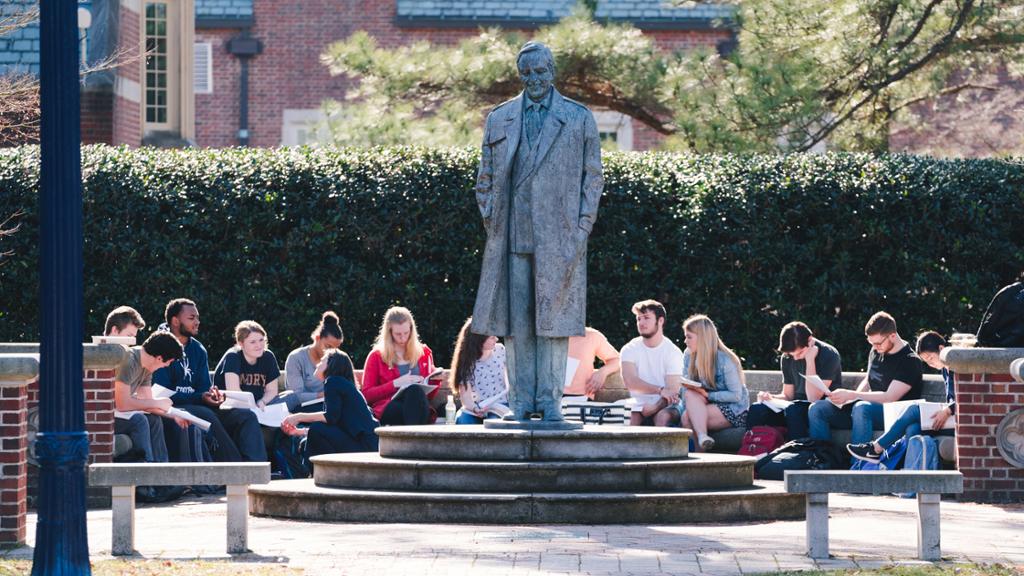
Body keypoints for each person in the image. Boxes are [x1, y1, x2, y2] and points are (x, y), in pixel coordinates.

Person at [470, 41, 603, 422]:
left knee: (554, 324)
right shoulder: (501, 118)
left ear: (552, 72)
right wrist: (494, 220)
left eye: (541, 72)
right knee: (516, 326)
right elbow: (485, 179)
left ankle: (549, 403)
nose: (534, 80)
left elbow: (592, 180)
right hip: (511, 236)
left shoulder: (578, 118)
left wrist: (581, 230)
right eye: (526, 73)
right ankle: (521, 402)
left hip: (560, 239)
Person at [153, 298, 267, 462]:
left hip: (199, 405)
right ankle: (236, 470)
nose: (197, 322)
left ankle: (257, 469)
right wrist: (200, 398)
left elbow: (203, 388)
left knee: (246, 416)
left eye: (197, 318)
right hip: (173, 409)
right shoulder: (159, 346)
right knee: (207, 414)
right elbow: (162, 393)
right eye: (191, 318)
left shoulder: (198, 349)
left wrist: (212, 397)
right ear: (175, 321)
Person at [808, 311, 923, 446]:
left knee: (862, 408)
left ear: (892, 335)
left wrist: (852, 394)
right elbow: (869, 380)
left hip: (894, 415)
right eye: (871, 343)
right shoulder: (876, 350)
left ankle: (858, 464)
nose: (874, 347)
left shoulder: (910, 361)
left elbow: (889, 397)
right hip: (863, 410)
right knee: (818, 408)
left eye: (878, 343)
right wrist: (849, 400)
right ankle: (822, 460)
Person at [847, 331, 956, 463]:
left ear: (941, 349)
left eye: (931, 358)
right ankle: (909, 473)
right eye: (926, 361)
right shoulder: (945, 369)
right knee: (912, 427)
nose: (930, 364)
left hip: (959, 420)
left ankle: (876, 448)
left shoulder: (958, 368)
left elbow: (967, 398)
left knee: (914, 409)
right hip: (950, 418)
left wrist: (948, 410)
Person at [112, 330, 186, 501]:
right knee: (139, 420)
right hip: (104, 416)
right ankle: (145, 486)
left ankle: (161, 479)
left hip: (120, 414)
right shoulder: (129, 360)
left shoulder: (146, 367)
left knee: (153, 420)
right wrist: (157, 403)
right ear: (160, 358)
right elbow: (122, 403)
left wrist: (173, 415)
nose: (167, 366)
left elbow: (147, 401)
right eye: (168, 362)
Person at [746, 322, 843, 440]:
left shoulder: (829, 354)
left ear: (810, 340)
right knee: (757, 408)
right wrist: (770, 398)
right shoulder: (788, 356)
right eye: (791, 355)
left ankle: (797, 454)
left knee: (794, 409)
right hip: (794, 408)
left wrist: (810, 359)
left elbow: (813, 398)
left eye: (800, 353)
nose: (795, 358)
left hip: (820, 409)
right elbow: (788, 395)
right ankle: (751, 452)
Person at [282, 349, 379, 457]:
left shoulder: (333, 381)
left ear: (331, 365)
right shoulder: (341, 384)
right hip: (366, 444)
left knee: (316, 429)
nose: (318, 364)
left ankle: (321, 473)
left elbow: (330, 417)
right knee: (308, 439)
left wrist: (298, 417)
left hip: (364, 445)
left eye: (322, 361)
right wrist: (300, 432)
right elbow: (336, 423)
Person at [678, 315, 750, 451]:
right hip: (702, 403)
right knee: (689, 394)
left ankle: (700, 452)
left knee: (687, 418)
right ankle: (703, 439)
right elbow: (684, 389)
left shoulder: (725, 360)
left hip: (733, 409)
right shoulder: (688, 354)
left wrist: (708, 395)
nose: (685, 341)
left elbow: (736, 396)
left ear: (702, 337)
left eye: (689, 337)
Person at [361, 306, 443, 426]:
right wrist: (396, 383)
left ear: (411, 329)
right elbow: (367, 396)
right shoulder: (377, 356)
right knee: (413, 393)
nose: (403, 338)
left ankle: (412, 441)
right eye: (398, 334)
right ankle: (415, 441)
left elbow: (427, 397)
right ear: (389, 332)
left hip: (418, 408)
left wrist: (435, 382)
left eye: (406, 333)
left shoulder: (423, 352)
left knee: (415, 393)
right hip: (390, 409)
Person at [619, 300, 685, 427]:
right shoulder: (629, 349)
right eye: (639, 319)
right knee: (632, 417)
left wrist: (655, 407)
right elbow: (630, 382)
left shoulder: (673, 352)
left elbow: (672, 392)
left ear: (660, 321)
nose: (641, 323)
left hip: (668, 404)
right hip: (637, 403)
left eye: (646, 318)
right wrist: (660, 390)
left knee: (662, 418)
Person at [448, 317, 510, 424]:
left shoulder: (500, 350)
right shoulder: (465, 361)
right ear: (478, 340)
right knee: (463, 420)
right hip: (478, 407)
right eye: (492, 337)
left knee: (494, 423)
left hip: (500, 406)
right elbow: (466, 398)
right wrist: (475, 409)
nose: (496, 339)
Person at [213, 320, 282, 409]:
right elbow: (235, 392)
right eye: (253, 342)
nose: (259, 345)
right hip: (231, 406)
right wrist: (253, 407)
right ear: (241, 343)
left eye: (261, 340)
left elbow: (272, 391)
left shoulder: (268, 356)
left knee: (291, 397)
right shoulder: (233, 357)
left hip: (259, 404)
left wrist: (262, 402)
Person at [284, 311, 343, 411]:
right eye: (328, 346)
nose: (331, 352)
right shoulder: (296, 358)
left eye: (335, 349)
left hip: (329, 407)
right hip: (302, 409)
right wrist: (323, 395)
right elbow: (296, 396)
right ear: (317, 338)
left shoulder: (336, 359)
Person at [564, 327, 621, 399]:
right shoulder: (545, 337)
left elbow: (617, 360)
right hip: (547, 399)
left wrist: (602, 372)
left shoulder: (592, 336)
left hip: (579, 399)